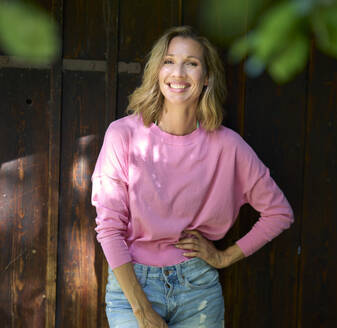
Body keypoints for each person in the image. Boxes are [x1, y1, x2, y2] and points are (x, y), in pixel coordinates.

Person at [91, 26, 294, 328]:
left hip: (197, 286)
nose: (179, 72)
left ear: (207, 77)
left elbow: (279, 213)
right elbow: (109, 229)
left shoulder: (228, 147)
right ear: (157, 71)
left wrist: (224, 258)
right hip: (133, 285)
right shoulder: (123, 135)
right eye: (169, 61)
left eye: (192, 63)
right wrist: (143, 311)